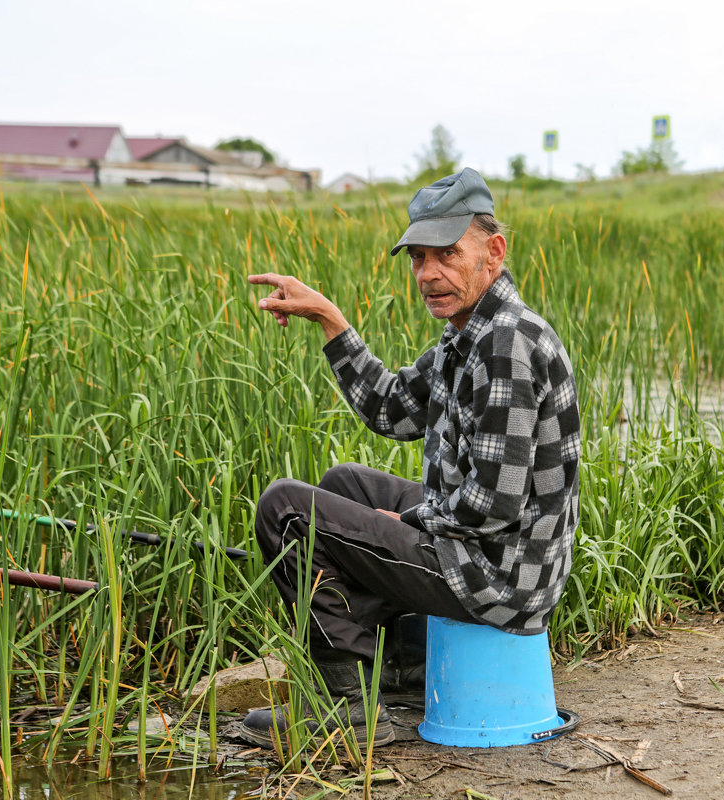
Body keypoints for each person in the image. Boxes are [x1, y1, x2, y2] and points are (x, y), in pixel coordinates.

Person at [241, 168, 582, 748]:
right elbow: (391, 409)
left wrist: (414, 521)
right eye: (419, 258)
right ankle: (405, 670)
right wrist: (330, 319)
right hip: (492, 550)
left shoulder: (506, 343)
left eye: (447, 254)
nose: (428, 274)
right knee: (345, 486)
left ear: (492, 253)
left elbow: (493, 503)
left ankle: (342, 704)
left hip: (500, 575)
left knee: (286, 510)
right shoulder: (467, 334)